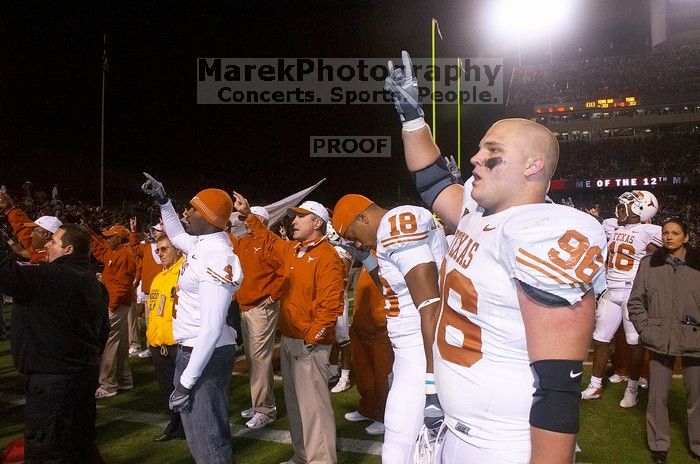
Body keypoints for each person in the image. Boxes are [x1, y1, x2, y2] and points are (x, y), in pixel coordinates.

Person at [384, 51, 607, 463]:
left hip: (504, 446)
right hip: (456, 431)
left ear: (532, 166)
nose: (474, 159)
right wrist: (412, 118)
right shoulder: (478, 212)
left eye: (492, 152)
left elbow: (559, 386)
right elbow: (431, 180)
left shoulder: (543, 233)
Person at [332, 193, 447, 463]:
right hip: (412, 353)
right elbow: (393, 287)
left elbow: (430, 304)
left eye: (353, 234)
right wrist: (368, 259)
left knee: (399, 447)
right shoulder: (387, 235)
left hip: (420, 354)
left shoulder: (396, 223)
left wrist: (431, 382)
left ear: (362, 216)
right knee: (417, 449)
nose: (358, 242)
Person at [233, 193, 345, 464]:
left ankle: (320, 461)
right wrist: (248, 215)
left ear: (317, 222)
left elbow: (331, 305)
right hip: (292, 339)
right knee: (296, 406)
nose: (294, 221)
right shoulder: (295, 251)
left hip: (309, 344)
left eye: (300, 217)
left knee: (314, 409)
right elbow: (269, 240)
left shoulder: (326, 256)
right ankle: (302, 455)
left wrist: (312, 338)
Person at [142, 174, 242, 464]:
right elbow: (176, 234)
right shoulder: (203, 244)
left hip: (204, 354)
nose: (186, 212)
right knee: (200, 439)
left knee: (208, 439)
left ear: (209, 217)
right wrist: (163, 201)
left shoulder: (216, 255)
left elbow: (210, 329)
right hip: (195, 352)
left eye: (193, 209)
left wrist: (186, 381)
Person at [0, 223, 109, 462]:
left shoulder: (49, 277)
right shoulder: (96, 285)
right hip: (83, 379)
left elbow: (5, 272)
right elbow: (102, 333)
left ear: (68, 249)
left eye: (54, 241)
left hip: (52, 386)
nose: (47, 244)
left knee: (48, 452)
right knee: (80, 449)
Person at [628, 218, 700, 464]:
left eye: (676, 233)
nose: (670, 237)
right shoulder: (648, 264)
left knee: (697, 397)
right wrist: (646, 330)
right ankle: (659, 445)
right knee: (657, 395)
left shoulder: (698, 264)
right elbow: (636, 302)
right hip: (659, 338)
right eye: (666, 233)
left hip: (695, 340)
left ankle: (698, 445)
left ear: (686, 237)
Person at [581, 190, 661, 407]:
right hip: (611, 289)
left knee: (634, 342)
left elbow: (660, 257)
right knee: (601, 338)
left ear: (639, 210)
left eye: (624, 205)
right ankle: (595, 384)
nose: (618, 208)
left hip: (632, 293)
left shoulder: (648, 231)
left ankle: (632, 388)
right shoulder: (611, 225)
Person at [229, 205, 284, 430]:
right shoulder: (245, 243)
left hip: (262, 307)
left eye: (248, 219)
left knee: (260, 358)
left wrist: (273, 296)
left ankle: (266, 409)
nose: (243, 223)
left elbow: (285, 271)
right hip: (247, 306)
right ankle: (258, 403)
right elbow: (228, 241)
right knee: (253, 358)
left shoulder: (268, 243)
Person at [344, 265, 393, 435]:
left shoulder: (387, 255)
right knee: (363, 371)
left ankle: (384, 416)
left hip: (379, 329)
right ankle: (368, 408)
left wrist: (381, 322)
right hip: (362, 325)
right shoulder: (368, 254)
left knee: (382, 374)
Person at [146, 235, 186, 442]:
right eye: (158, 250)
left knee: (183, 389)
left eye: (164, 249)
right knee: (167, 390)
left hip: (177, 343)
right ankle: (175, 425)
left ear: (178, 249)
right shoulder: (158, 277)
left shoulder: (184, 272)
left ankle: (187, 427)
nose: (160, 253)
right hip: (158, 344)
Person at [92, 224, 137, 399]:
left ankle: (108, 384)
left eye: (111, 236)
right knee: (120, 342)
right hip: (119, 303)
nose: (108, 239)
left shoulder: (125, 255)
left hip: (117, 304)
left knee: (108, 342)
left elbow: (122, 286)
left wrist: (111, 306)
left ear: (120, 238)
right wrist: (89, 234)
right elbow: (101, 251)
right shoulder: (117, 252)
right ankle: (125, 380)